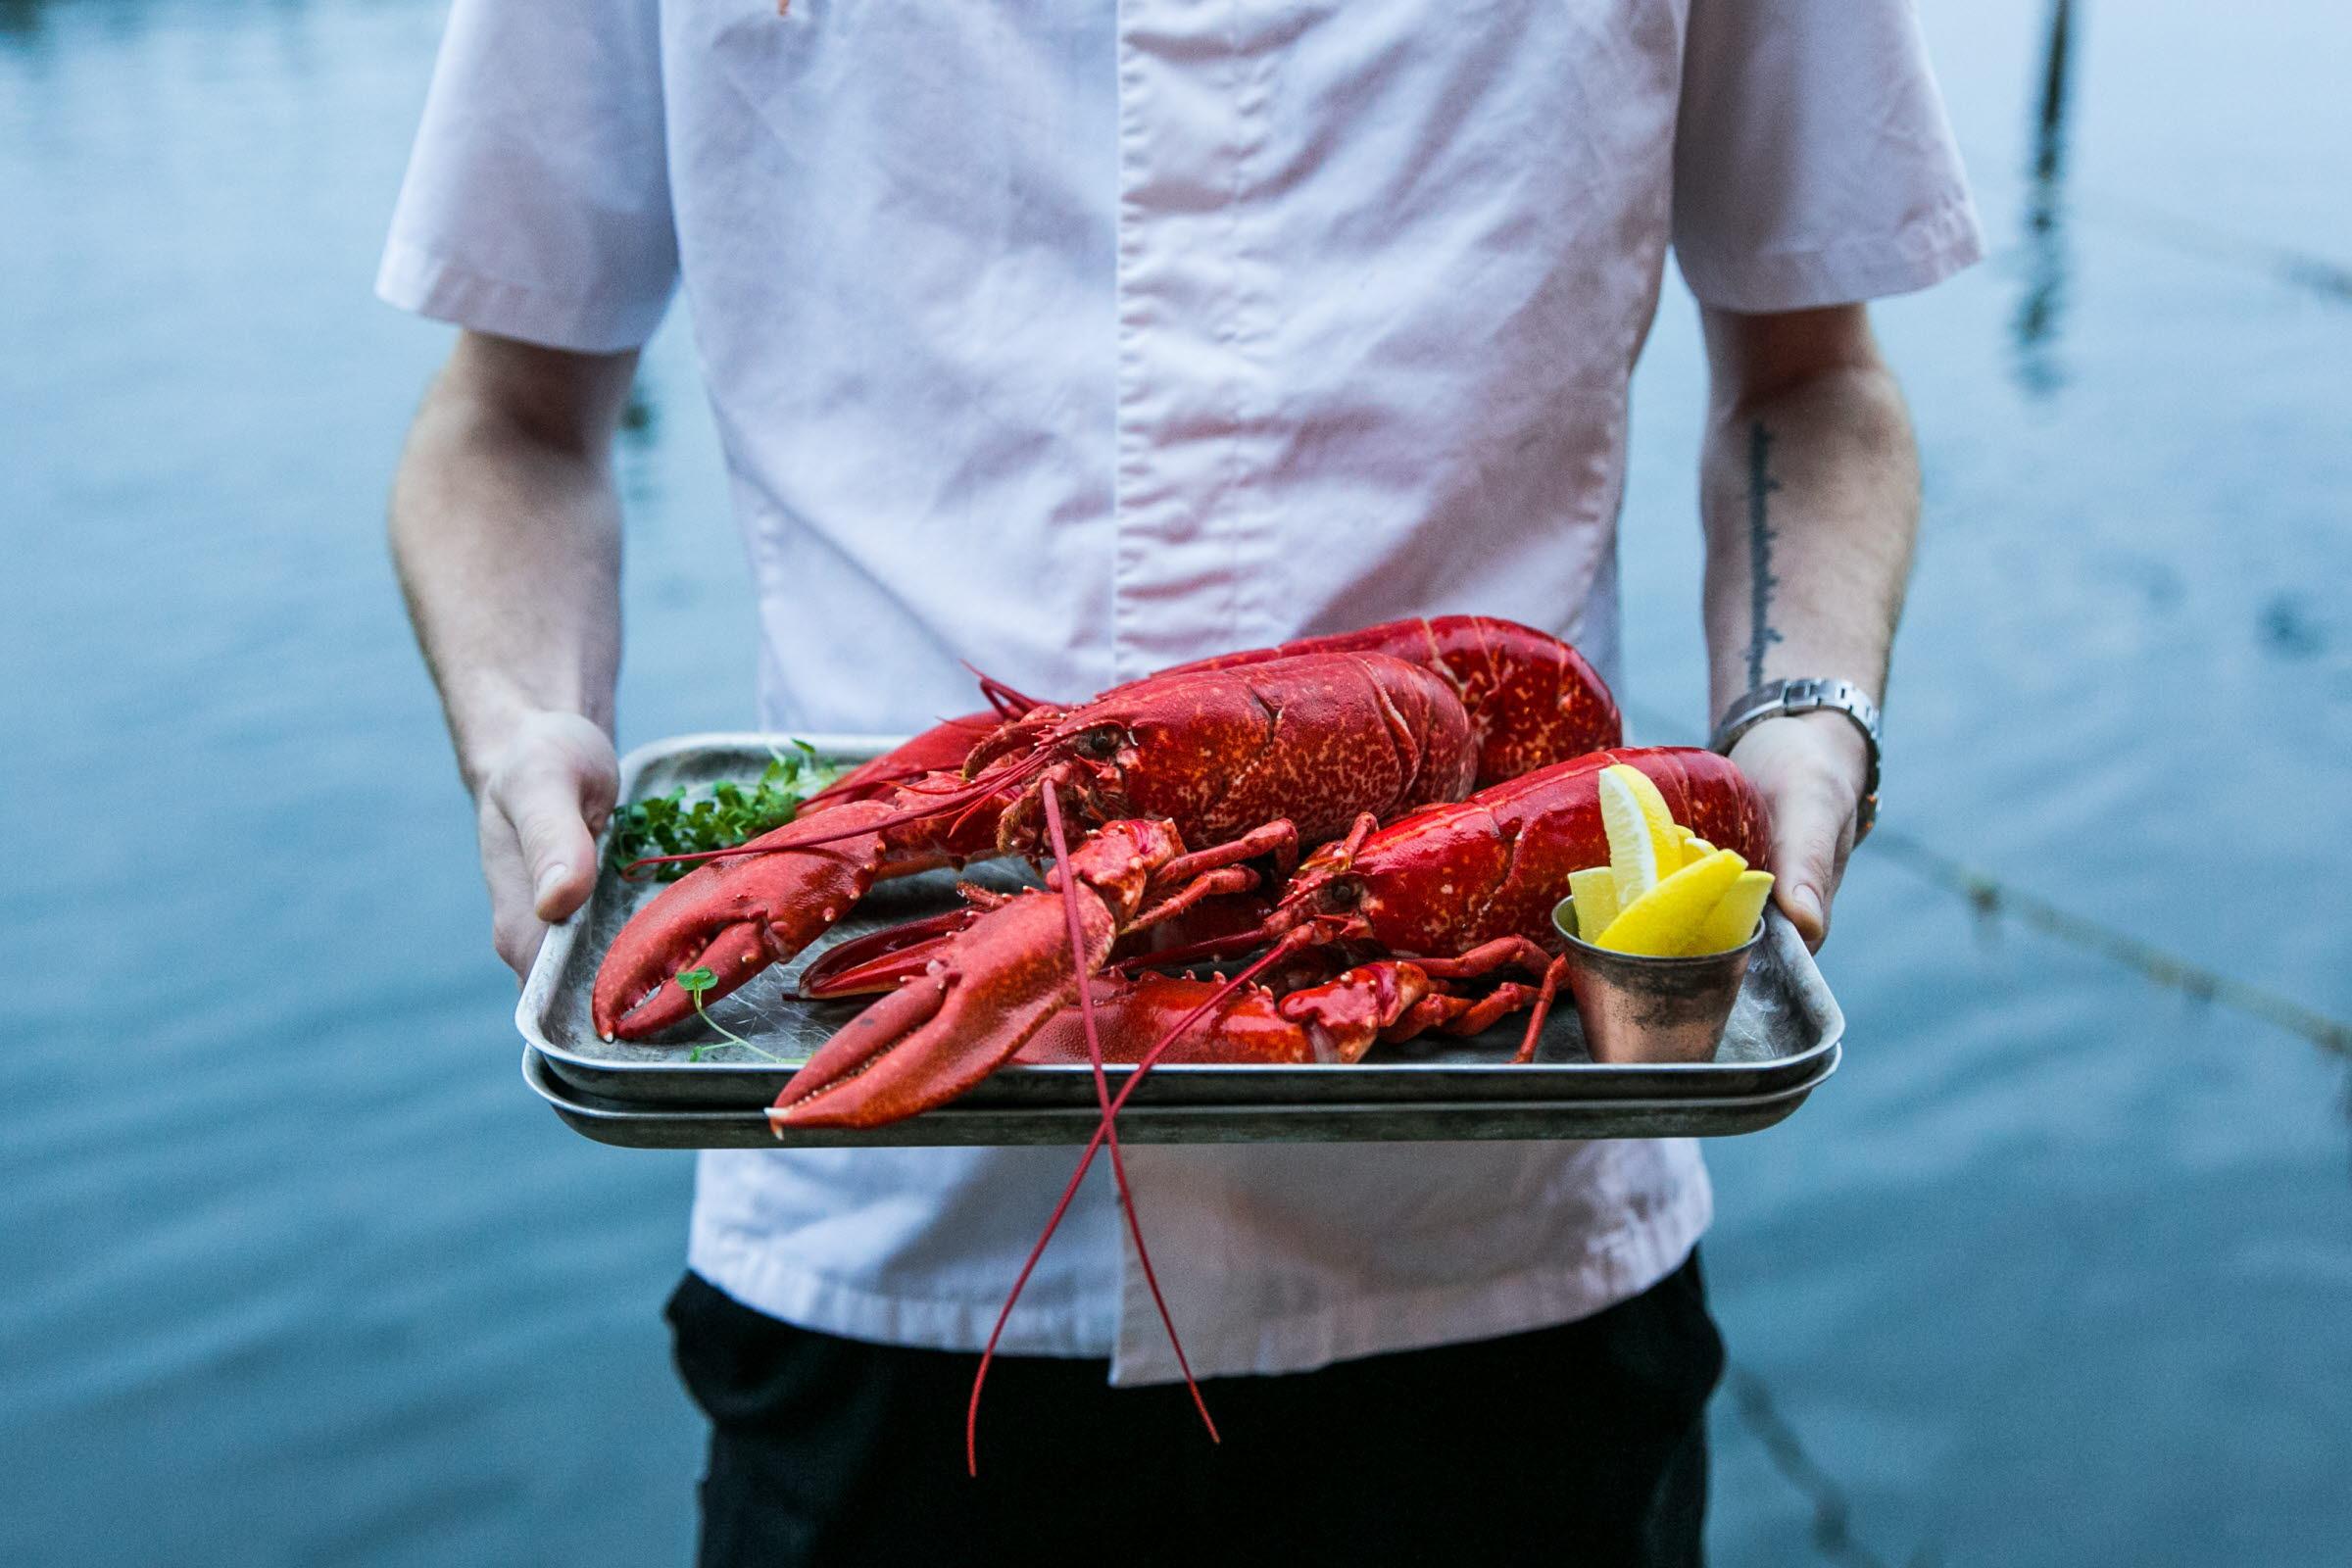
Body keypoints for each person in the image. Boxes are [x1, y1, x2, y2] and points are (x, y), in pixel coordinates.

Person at [382, 2, 1978, 1561]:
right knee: (1005, 763)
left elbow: (1811, 374)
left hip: (1508, 1272)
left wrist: (1803, 715)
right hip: (875, 1251)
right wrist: (523, 723)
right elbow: (508, 414)